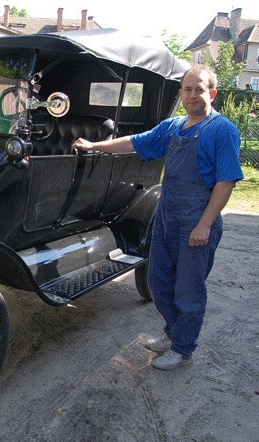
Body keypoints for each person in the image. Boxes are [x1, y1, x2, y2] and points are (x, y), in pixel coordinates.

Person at [73, 64, 244, 371]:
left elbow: (226, 181)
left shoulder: (222, 130)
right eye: (188, 89)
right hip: (166, 217)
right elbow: (135, 142)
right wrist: (95, 146)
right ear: (181, 94)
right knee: (158, 282)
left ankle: (183, 349)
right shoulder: (173, 127)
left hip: (197, 218)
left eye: (200, 89)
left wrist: (205, 224)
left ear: (212, 93)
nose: (193, 95)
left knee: (188, 290)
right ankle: (173, 334)